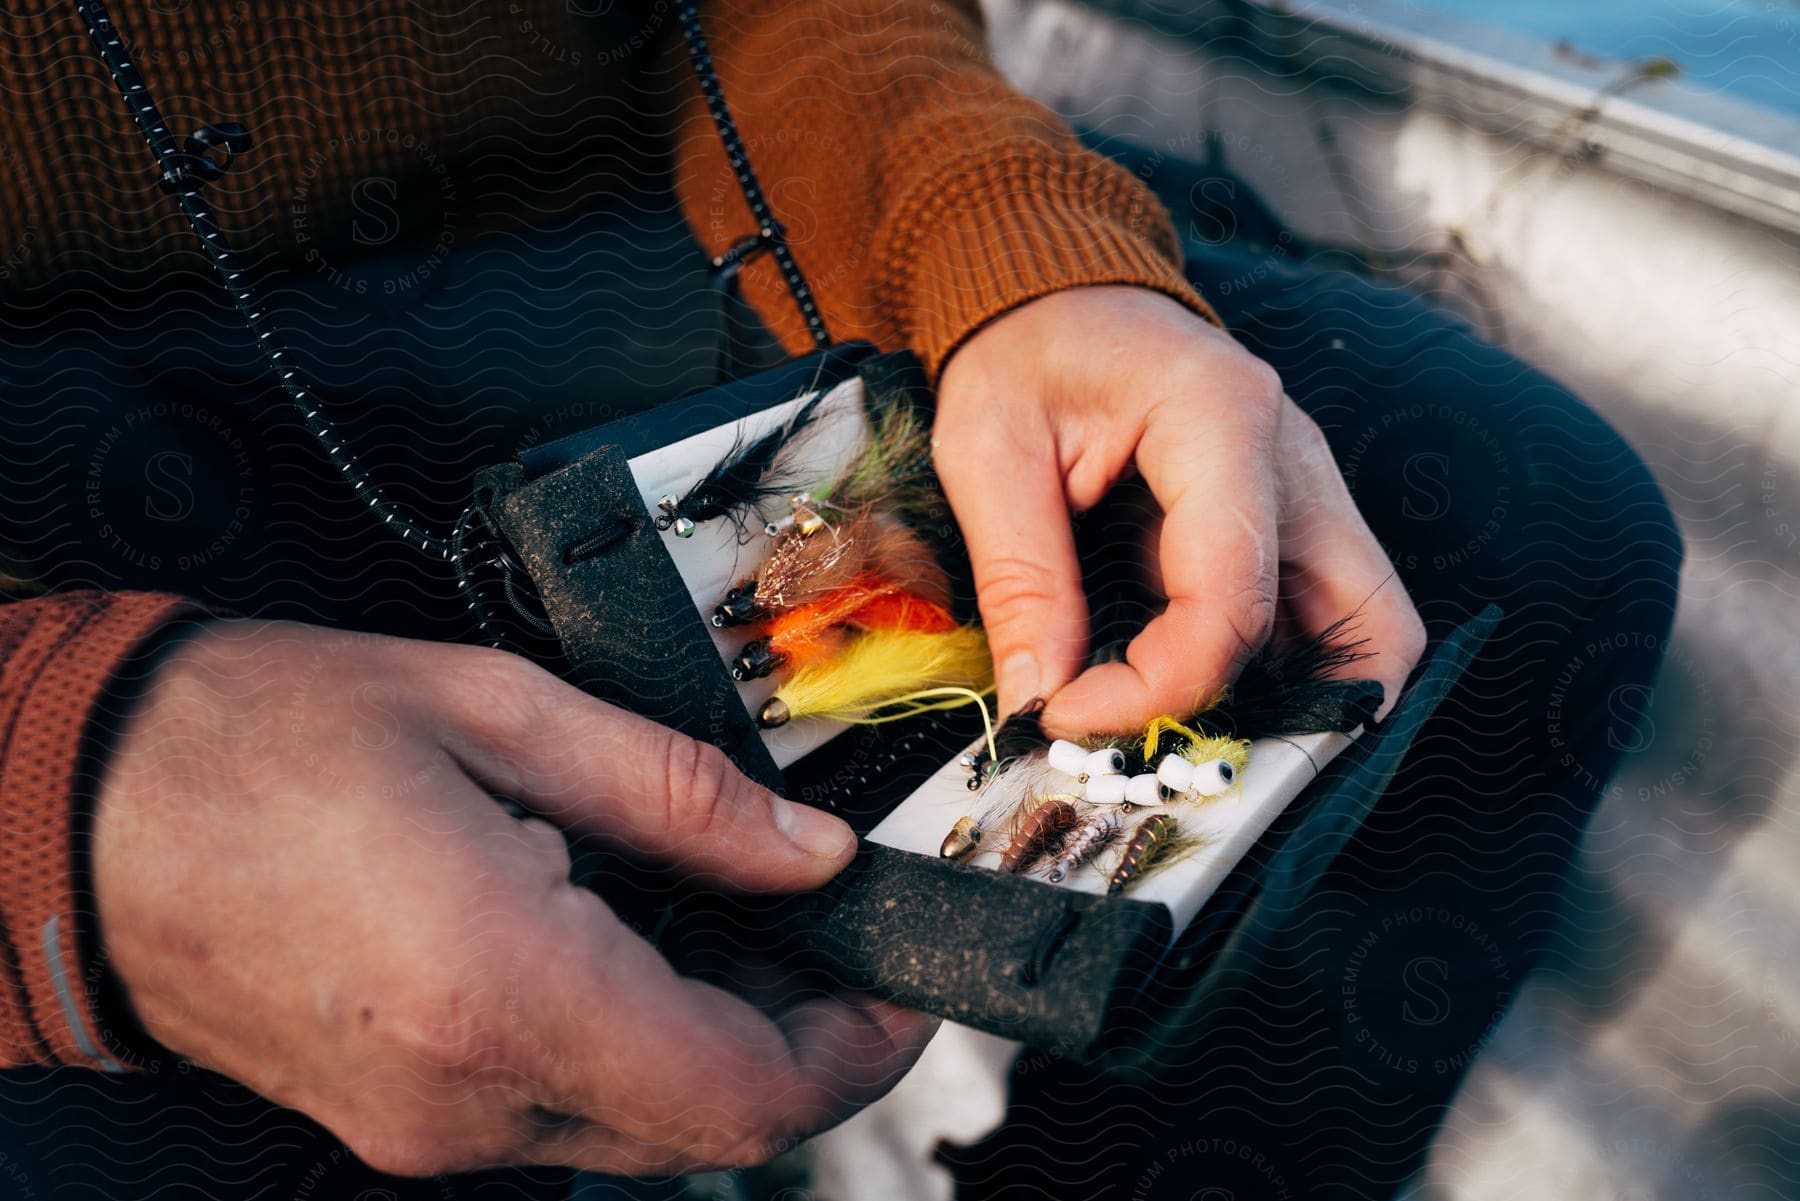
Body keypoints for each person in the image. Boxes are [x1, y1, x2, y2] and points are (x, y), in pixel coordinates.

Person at [0, 1, 1676, 1198]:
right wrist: (57, 770)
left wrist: (1015, 260)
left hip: (621, 253)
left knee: (1506, 533)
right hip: (53, 468)